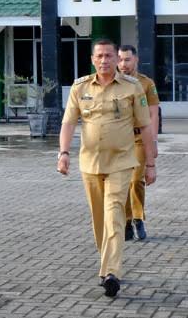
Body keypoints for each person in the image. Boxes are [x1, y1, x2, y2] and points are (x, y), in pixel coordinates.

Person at [57, 39, 157, 297]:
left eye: (109, 56)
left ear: (116, 59)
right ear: (93, 59)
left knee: (114, 215)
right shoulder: (80, 88)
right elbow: (68, 123)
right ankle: (106, 264)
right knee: (99, 218)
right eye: (99, 56)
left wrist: (151, 163)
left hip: (121, 162)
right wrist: (64, 153)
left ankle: (111, 272)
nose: (104, 60)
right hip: (90, 163)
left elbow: (146, 126)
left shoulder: (133, 87)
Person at [117, 44, 160, 241]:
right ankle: (125, 221)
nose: (123, 64)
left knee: (136, 180)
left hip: (140, 138)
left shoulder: (146, 83)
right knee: (122, 182)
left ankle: (137, 217)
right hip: (119, 139)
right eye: (120, 59)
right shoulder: (112, 82)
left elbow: (153, 112)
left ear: (136, 60)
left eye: (127, 59)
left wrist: (153, 140)